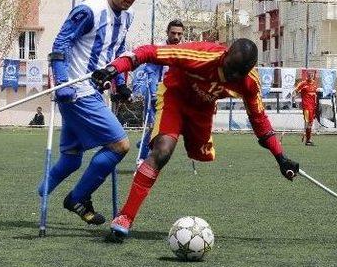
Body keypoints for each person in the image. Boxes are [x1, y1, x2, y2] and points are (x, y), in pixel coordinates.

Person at [91, 39, 300, 241]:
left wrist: (281, 158)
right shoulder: (200, 54)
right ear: (225, 55)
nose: (232, 76)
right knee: (162, 151)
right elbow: (149, 52)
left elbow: (260, 121)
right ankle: (125, 216)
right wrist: (114, 68)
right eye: (230, 68)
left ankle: (187, 136)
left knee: (202, 154)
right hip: (175, 96)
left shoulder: (249, 82)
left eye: (240, 72)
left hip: (202, 109)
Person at [36, 0, 144, 226]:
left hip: (95, 90)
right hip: (77, 92)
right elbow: (60, 44)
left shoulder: (127, 17)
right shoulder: (90, 10)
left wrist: (120, 83)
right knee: (120, 145)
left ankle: (42, 193)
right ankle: (78, 198)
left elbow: (113, 55)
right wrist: (63, 82)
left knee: (72, 159)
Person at [131, 20, 185, 166]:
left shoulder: (184, 50)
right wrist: (154, 93)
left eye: (179, 34)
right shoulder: (159, 49)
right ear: (167, 32)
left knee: (169, 127)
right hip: (157, 90)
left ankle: (143, 143)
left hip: (174, 93)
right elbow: (151, 72)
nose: (176, 36)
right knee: (153, 125)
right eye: (173, 33)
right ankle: (142, 158)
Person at [293, 71, 318, 145]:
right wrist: (294, 101)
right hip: (306, 106)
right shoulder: (303, 83)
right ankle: (308, 140)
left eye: (312, 74)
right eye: (309, 74)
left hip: (313, 107)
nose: (311, 76)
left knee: (310, 123)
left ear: (314, 75)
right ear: (307, 75)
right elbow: (295, 91)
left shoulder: (315, 83)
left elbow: (315, 95)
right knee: (307, 122)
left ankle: (308, 139)